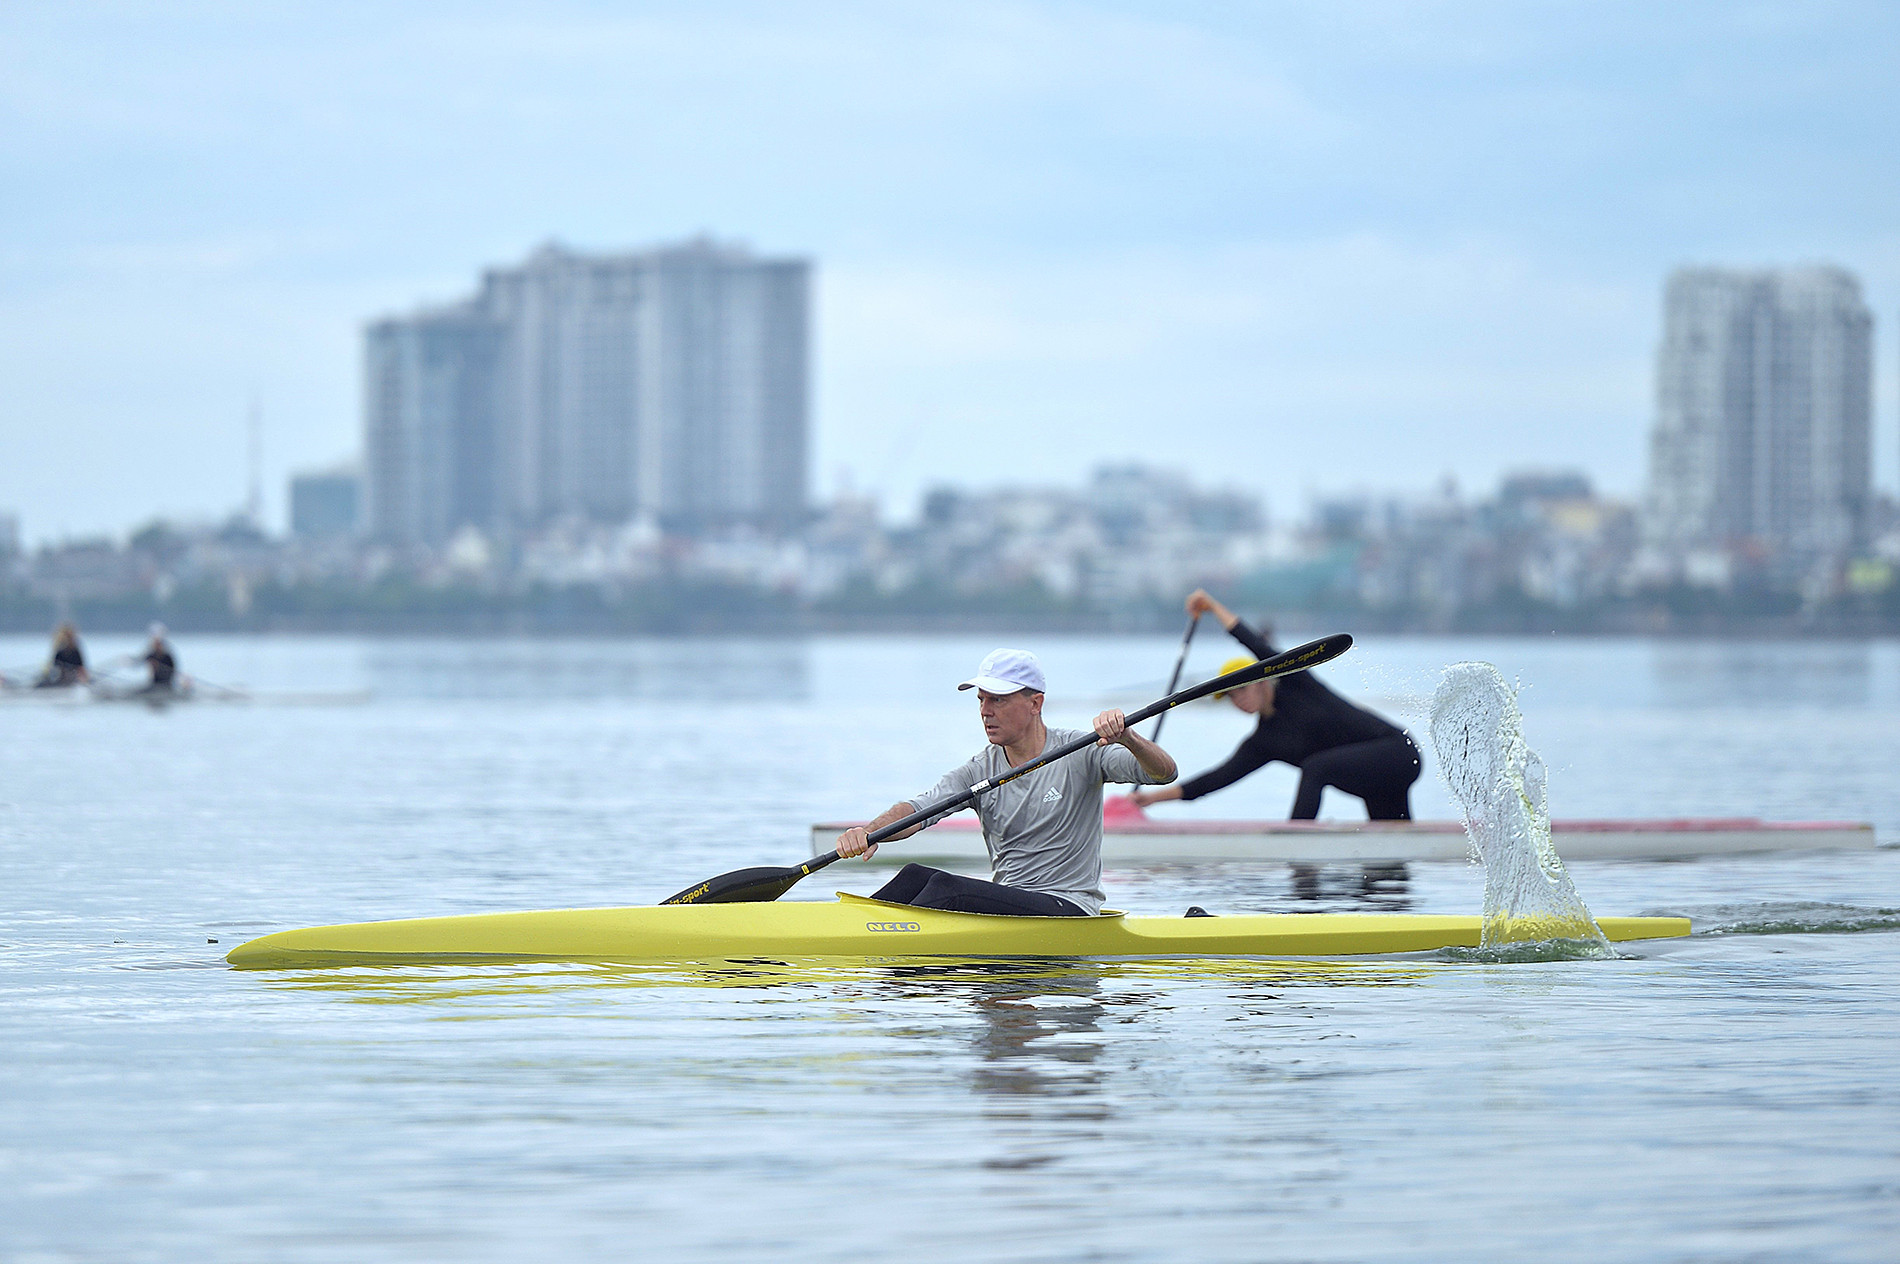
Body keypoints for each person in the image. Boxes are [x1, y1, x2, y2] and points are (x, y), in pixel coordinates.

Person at [836, 648, 1177, 916]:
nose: (985, 711)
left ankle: (878, 944)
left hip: (1069, 906)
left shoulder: (1082, 751)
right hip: (1011, 905)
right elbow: (917, 810)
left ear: (1035, 703)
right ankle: (850, 925)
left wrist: (1129, 738)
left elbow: (1163, 773)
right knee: (914, 875)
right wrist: (868, 832)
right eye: (981, 699)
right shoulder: (979, 769)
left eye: (997, 699)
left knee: (946, 888)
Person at [1132, 590, 1420, 820]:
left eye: (1241, 689)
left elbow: (1253, 642)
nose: (1238, 700)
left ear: (1262, 681)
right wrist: (1149, 799)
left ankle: (1296, 843)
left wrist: (1212, 605)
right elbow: (1216, 779)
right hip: (1374, 780)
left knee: (1316, 767)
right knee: (1390, 854)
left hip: (1397, 751)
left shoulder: (1296, 682)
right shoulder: (1264, 742)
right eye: (1230, 697)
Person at [35, 622, 90, 688]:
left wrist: (84, 679)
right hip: (62, 678)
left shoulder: (75, 651)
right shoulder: (60, 650)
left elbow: (81, 668)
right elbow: (55, 667)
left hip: (72, 678)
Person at [139, 623, 178, 694]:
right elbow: (139, 661)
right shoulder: (152, 655)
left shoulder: (167, 657)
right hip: (153, 684)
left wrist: (158, 667)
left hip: (166, 685)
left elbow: (172, 672)